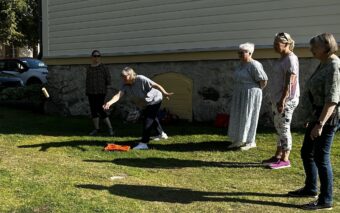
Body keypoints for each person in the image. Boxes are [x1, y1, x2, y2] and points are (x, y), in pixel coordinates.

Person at [288, 33, 339, 211]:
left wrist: (320, 124)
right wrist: (310, 117)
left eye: (314, 47)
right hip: (316, 115)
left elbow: (332, 99)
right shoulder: (323, 63)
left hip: (327, 117)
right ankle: (311, 189)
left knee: (320, 157)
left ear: (326, 47)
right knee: (307, 152)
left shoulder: (334, 65)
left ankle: (326, 200)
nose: (311, 50)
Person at [103, 67, 174, 150]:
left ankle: (144, 143)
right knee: (152, 116)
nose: (123, 78)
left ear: (130, 75)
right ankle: (162, 134)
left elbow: (156, 85)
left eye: (124, 76)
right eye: (122, 76)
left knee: (148, 119)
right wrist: (109, 103)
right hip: (146, 102)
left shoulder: (141, 79)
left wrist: (165, 93)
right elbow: (118, 95)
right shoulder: (125, 85)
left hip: (156, 98)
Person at [262, 32, 300, 169]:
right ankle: (278, 155)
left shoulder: (291, 59)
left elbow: (291, 81)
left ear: (286, 44)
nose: (274, 46)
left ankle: (285, 159)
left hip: (286, 100)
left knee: (284, 128)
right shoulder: (282, 58)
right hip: (277, 99)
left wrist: (283, 100)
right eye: (274, 43)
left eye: (277, 44)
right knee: (278, 127)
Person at [228, 42, 268, 150]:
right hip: (239, 93)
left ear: (250, 53)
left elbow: (263, 80)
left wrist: (255, 92)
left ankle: (250, 141)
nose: (240, 54)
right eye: (239, 52)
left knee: (249, 115)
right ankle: (239, 139)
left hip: (251, 94)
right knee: (239, 115)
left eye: (243, 52)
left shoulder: (254, 65)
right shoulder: (240, 65)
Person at [86, 50, 114, 136]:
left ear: (100, 57)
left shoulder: (103, 67)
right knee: (93, 110)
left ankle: (110, 129)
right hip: (91, 92)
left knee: (101, 109)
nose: (96, 57)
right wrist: (87, 90)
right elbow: (87, 80)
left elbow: (108, 79)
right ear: (92, 57)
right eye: (94, 56)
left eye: (98, 56)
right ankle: (97, 129)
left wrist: (108, 89)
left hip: (101, 92)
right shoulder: (89, 68)